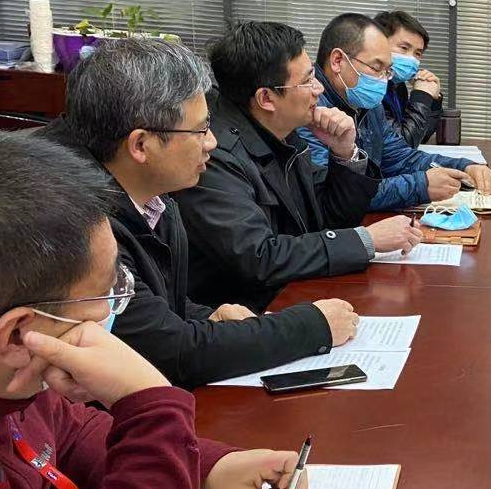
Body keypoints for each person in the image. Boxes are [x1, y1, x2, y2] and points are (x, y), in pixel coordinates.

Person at [0, 132, 310, 489]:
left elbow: (70, 431)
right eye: (104, 292)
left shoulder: (18, 386)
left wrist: (207, 466)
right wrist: (150, 406)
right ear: (19, 334)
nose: (115, 306)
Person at [40, 37, 360, 388]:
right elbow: (171, 352)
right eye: (200, 130)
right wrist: (312, 326)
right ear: (141, 145)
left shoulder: (151, 189)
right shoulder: (75, 221)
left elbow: (150, 308)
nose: (211, 142)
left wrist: (205, 317)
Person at [175, 21, 422, 312]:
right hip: (247, 315)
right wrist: (365, 240)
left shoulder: (284, 132)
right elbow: (259, 258)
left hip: (296, 293)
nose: (319, 88)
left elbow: (327, 220)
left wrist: (344, 154)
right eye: (307, 81)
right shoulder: (214, 157)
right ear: (266, 98)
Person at [298, 13, 491, 210]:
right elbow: (332, 197)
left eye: (387, 71)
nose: (383, 80)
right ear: (337, 61)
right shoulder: (308, 108)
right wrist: (420, 186)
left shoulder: (368, 104)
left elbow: (402, 158)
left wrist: (464, 166)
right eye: (376, 68)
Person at [373, 9, 444, 147]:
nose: (411, 58)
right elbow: (401, 146)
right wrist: (421, 96)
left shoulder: (398, 86)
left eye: (417, 53)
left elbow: (420, 137)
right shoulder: (371, 87)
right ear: (379, 44)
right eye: (404, 48)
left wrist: (432, 99)